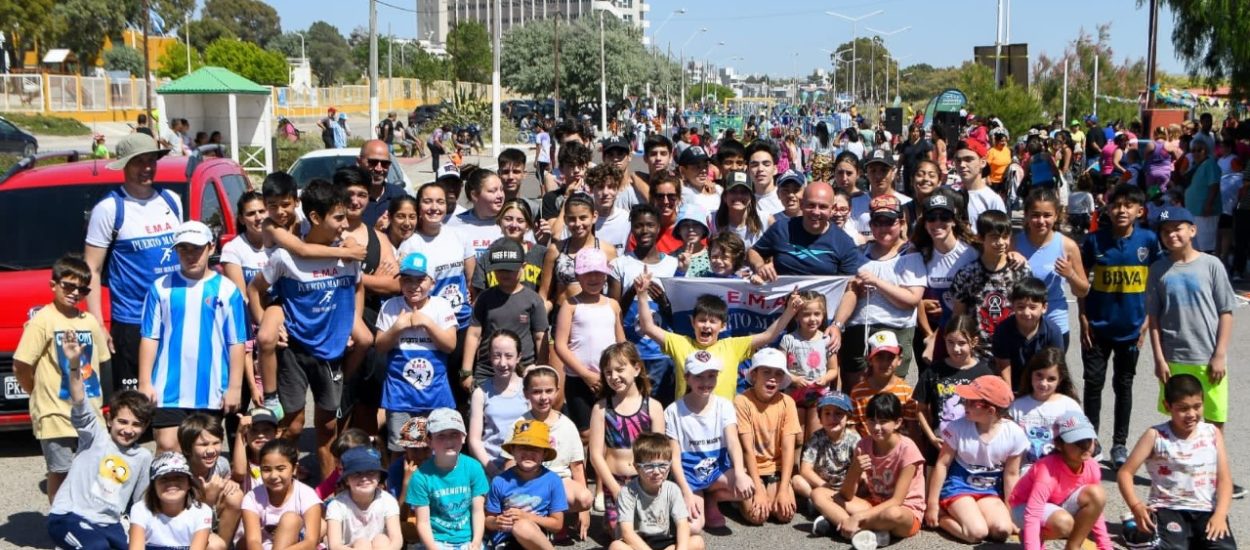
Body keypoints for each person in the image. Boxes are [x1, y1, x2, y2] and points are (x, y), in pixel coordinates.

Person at [247, 180, 364, 479]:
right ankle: (276, 486)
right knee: (293, 425)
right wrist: (267, 321)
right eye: (338, 218)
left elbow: (358, 287)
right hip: (295, 350)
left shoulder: (348, 256)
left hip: (332, 351)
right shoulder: (285, 256)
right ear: (315, 218)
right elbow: (255, 288)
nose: (344, 224)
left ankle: (327, 497)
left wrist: (354, 321)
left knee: (327, 429)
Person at [1146, 205, 1240, 496]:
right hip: (1175, 359)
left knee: (1213, 421)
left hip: (1208, 357)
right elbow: (1154, 320)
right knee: (1178, 421)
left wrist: (1220, 354)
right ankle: (1180, 474)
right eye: (1165, 230)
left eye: (1177, 228)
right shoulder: (1159, 270)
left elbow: (1226, 311)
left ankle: (1215, 477)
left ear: (1192, 230)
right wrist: (1159, 359)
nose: (1171, 234)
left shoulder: (1211, 265)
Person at [138, 221, 246, 453]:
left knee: (204, 453)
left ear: (210, 247)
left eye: (196, 248)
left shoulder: (228, 290)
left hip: (212, 389)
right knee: (168, 446)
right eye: (184, 248)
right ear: (176, 251)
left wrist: (235, 387)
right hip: (168, 387)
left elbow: (236, 342)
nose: (190, 255)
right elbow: (149, 337)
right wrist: (145, 382)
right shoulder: (160, 287)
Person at [83, 133, 179, 393]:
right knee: (134, 407)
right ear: (124, 165)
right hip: (132, 320)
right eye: (138, 161)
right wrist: (98, 325)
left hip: (176, 314)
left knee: (174, 396)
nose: (147, 167)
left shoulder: (171, 199)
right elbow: (92, 268)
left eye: (151, 160)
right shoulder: (110, 209)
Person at [14, 255, 109, 504]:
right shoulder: (42, 321)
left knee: (94, 469)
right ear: (53, 285)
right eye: (68, 285)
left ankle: (86, 519)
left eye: (82, 289)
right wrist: (35, 391)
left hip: (90, 411)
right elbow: (22, 364)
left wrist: (106, 404)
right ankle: (60, 521)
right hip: (54, 413)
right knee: (61, 471)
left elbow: (102, 361)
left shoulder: (89, 321)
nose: (75, 292)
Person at [45, 335, 154, 550]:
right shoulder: (95, 435)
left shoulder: (143, 457)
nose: (128, 429)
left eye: (136, 424)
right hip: (70, 516)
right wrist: (74, 364)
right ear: (109, 420)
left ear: (145, 426)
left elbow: (142, 501)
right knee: (96, 547)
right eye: (122, 421)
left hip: (109, 523)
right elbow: (79, 398)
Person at [1080, 184, 1156, 467]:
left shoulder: (1148, 240)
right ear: (1107, 209)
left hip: (1131, 330)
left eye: (1128, 206)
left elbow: (1156, 284)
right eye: (1116, 206)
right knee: (1093, 385)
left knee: (1124, 386)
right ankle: (1089, 440)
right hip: (1097, 329)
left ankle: (1119, 444)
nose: (1121, 210)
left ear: (1139, 210)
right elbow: (1080, 281)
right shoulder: (1094, 241)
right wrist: (1083, 317)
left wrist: (1148, 321)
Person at [634, 271, 801, 400]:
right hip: (686, 418)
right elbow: (648, 326)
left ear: (723, 326)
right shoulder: (680, 342)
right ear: (692, 323)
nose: (706, 325)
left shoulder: (732, 346)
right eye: (702, 320)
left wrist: (790, 311)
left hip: (722, 422)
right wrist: (642, 294)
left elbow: (768, 336)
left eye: (712, 321)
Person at [1117, 374, 1236, 550]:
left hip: (1206, 510)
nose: (1191, 414)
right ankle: (1135, 531)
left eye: (1197, 406)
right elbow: (1125, 473)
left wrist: (1220, 514)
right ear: (1167, 406)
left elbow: (1225, 480)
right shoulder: (1156, 435)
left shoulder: (1212, 433)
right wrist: (1136, 506)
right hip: (1168, 508)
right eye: (1183, 408)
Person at [833, 195, 926, 387]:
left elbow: (911, 299)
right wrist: (838, 324)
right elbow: (850, 291)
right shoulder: (859, 253)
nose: (882, 228)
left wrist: (877, 283)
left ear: (901, 223)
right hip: (858, 328)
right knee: (856, 391)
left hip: (896, 328)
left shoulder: (911, 254)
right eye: (877, 222)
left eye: (889, 222)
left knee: (889, 395)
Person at [925, 375, 1027, 544]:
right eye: (966, 400)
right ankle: (944, 517)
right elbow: (942, 464)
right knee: (976, 533)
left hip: (989, 490)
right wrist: (932, 504)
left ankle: (975, 513)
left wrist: (1012, 513)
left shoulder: (1014, 434)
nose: (965, 404)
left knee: (1003, 530)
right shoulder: (957, 427)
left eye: (972, 402)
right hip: (959, 487)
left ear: (991, 411)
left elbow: (1011, 475)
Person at [374, 252, 459, 453]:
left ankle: (430, 485)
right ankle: (399, 484)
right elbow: (380, 346)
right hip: (400, 395)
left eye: (420, 279)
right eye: (407, 279)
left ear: (432, 282)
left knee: (435, 448)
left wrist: (428, 324)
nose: (413, 285)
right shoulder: (391, 306)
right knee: (400, 449)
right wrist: (398, 327)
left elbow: (450, 345)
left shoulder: (441, 306)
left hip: (435, 395)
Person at [816, 393, 926, 547]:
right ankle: (863, 531)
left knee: (892, 513)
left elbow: (897, 500)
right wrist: (855, 469)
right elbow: (846, 494)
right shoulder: (863, 445)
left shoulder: (908, 449)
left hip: (905, 512)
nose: (876, 427)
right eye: (872, 421)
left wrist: (859, 516)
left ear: (898, 423)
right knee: (819, 493)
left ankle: (843, 525)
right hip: (873, 505)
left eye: (883, 422)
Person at [663, 353, 753, 532]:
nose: (706, 382)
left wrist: (741, 474)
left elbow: (733, 441)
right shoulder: (673, 411)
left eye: (711, 375)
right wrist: (687, 493)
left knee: (749, 488)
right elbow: (674, 457)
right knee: (694, 527)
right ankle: (695, 496)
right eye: (699, 376)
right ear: (686, 377)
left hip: (717, 471)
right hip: (689, 476)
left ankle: (711, 498)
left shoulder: (724, 405)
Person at [1007, 411, 1113, 550]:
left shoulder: (1092, 465)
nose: (1085, 447)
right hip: (1024, 508)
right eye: (1077, 442)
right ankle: (1032, 536)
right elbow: (1032, 514)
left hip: (1058, 503)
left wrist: (1105, 546)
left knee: (1097, 494)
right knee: (1063, 523)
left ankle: (1072, 547)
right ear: (1058, 445)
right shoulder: (1047, 470)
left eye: (1089, 440)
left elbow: (1095, 511)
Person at [588, 342, 665, 533]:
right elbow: (595, 455)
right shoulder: (601, 408)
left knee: (652, 532)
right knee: (622, 533)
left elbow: (661, 454)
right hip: (615, 483)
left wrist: (652, 485)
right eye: (608, 372)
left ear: (637, 368)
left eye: (620, 369)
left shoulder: (653, 406)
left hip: (648, 483)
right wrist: (615, 489)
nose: (614, 377)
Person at [609, 205, 681, 405]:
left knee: (662, 407)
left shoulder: (672, 265)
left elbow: (679, 315)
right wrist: (632, 291)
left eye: (650, 225)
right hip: (632, 354)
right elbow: (613, 311)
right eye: (639, 225)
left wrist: (663, 302)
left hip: (663, 355)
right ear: (631, 228)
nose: (644, 230)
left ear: (659, 227)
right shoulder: (620, 264)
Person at [554, 248, 625, 433]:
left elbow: (621, 345)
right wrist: (585, 374)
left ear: (606, 276)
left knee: (610, 430)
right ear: (578, 275)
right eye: (587, 274)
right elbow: (560, 345)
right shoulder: (570, 305)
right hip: (578, 379)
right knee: (585, 433)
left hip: (609, 379)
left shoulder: (613, 305)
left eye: (598, 273)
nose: (593, 279)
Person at [463, 239, 550, 389]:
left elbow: (540, 337)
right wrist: (466, 372)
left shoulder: (533, 300)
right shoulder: (485, 298)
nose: (505, 274)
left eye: (510, 269)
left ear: (523, 267)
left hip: (523, 370)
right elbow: (474, 334)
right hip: (487, 371)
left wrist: (540, 370)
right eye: (500, 269)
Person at [949, 210, 1033, 361]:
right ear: (981, 238)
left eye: (1005, 237)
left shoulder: (1021, 271)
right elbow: (959, 316)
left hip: (1014, 350)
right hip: (979, 354)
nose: (1000, 242)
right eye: (994, 237)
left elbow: (1030, 310)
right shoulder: (967, 274)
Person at [1014, 188, 1090, 348]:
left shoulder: (1067, 246)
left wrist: (1070, 274)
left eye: (1047, 215)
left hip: (1055, 323)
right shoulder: (1014, 244)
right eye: (1035, 215)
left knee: (1052, 372)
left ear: (1056, 216)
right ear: (1026, 215)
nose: (1041, 221)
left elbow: (1083, 290)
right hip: (1021, 323)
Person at [733, 348, 801, 526]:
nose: (772, 378)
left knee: (785, 514)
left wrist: (784, 489)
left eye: (779, 373)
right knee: (758, 516)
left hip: (775, 470)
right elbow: (747, 449)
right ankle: (738, 499)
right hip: (751, 470)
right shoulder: (742, 401)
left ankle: (775, 488)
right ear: (754, 375)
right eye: (766, 372)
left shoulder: (787, 402)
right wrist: (758, 489)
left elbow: (788, 449)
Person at [749, 181, 866, 282]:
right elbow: (753, 252)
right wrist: (760, 266)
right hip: (780, 303)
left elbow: (849, 288)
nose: (816, 212)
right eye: (811, 205)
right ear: (802, 204)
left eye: (823, 207)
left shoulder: (844, 243)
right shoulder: (782, 228)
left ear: (832, 209)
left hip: (822, 305)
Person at [913, 315, 995, 457]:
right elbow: (920, 409)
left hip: (972, 446)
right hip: (940, 445)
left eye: (961, 343)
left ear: (974, 342)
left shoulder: (984, 373)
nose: (955, 349)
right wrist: (931, 437)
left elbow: (993, 412)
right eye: (950, 342)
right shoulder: (934, 371)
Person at [406, 407, 488, 550]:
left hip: (468, 539)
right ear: (429, 441)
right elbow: (423, 522)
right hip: (437, 541)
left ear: (464, 437)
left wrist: (476, 542)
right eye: (441, 436)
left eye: (454, 434)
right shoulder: (421, 477)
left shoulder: (474, 468)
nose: (448, 441)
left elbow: (478, 511)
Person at [611, 432, 705, 550]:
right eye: (649, 466)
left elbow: (682, 524)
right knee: (616, 547)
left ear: (670, 466)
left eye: (662, 465)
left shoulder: (672, 489)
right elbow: (627, 533)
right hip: (639, 543)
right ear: (637, 467)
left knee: (697, 541)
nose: (656, 471)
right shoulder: (627, 492)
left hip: (667, 542)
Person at [484, 418, 568, 550]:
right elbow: (488, 520)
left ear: (544, 453)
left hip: (534, 536)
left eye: (535, 449)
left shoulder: (553, 480)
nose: (528, 453)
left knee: (521, 526)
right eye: (523, 447)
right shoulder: (500, 481)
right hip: (505, 539)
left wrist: (526, 517)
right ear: (513, 451)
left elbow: (557, 524)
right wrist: (496, 521)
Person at [1008, 348, 1084, 473]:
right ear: (1031, 374)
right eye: (1039, 375)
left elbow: (1080, 442)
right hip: (1024, 471)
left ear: (1060, 380)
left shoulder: (1069, 406)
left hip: (1059, 471)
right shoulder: (1017, 406)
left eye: (1051, 379)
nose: (1043, 383)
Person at [242, 439, 323, 550]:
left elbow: (311, 542)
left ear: (294, 469)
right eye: (266, 469)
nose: (274, 475)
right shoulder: (252, 498)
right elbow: (253, 541)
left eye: (280, 469)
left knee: (290, 519)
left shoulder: (307, 495)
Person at [177, 413, 243, 548]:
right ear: (187, 448)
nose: (211, 450)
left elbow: (229, 479)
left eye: (216, 443)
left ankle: (224, 544)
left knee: (235, 495)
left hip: (208, 523)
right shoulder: (178, 472)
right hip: (180, 530)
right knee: (213, 546)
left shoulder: (221, 464)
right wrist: (207, 499)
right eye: (203, 444)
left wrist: (229, 483)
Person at [778, 290, 838, 440]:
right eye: (806, 314)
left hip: (818, 396)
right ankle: (795, 464)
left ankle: (811, 464)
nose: (812, 319)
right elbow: (779, 368)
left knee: (814, 437)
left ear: (823, 314)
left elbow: (833, 369)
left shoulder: (826, 340)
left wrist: (824, 379)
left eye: (817, 314)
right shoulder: (788, 339)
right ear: (797, 315)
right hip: (793, 396)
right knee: (796, 438)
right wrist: (793, 378)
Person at [795, 392, 860, 523]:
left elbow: (858, 470)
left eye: (838, 414)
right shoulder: (816, 438)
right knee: (797, 480)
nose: (832, 418)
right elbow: (805, 470)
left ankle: (823, 508)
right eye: (827, 413)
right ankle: (823, 505)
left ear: (848, 417)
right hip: (821, 486)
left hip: (844, 490)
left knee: (863, 485)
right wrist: (824, 486)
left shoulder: (854, 439)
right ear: (820, 418)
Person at [992, 278, 1065, 392]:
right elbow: (1003, 367)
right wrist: (1009, 399)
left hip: (1042, 386)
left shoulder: (1053, 332)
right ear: (1012, 306)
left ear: (1044, 307)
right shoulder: (1003, 330)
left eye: (1032, 307)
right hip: (1013, 385)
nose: (1026, 313)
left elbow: (1054, 368)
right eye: (1021, 307)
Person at [128, 452, 213, 550]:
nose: (172, 483)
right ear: (153, 486)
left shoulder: (202, 511)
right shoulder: (140, 509)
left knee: (215, 545)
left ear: (189, 483)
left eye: (179, 478)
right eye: (164, 479)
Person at [325, 446, 403, 550]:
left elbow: (397, 539)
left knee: (381, 540)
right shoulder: (337, 505)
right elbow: (335, 545)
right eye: (356, 474)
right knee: (362, 544)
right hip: (350, 547)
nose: (364, 478)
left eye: (371, 472)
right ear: (346, 480)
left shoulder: (388, 501)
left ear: (379, 476)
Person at [847, 331, 918, 437]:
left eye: (890, 357)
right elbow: (853, 429)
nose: (885, 363)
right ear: (870, 360)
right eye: (879, 357)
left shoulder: (906, 392)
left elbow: (912, 430)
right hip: (866, 449)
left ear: (899, 360)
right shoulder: (858, 392)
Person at [849, 150, 913, 237]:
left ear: (893, 172)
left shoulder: (907, 203)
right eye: (873, 171)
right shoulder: (855, 203)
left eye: (884, 170)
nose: (878, 176)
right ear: (866, 173)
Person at [952, 140, 1006, 234]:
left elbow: (1001, 234)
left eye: (968, 159)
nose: (962, 165)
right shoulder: (951, 192)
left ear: (983, 162)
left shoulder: (992, 199)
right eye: (958, 160)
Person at [712, 171, 771, 248]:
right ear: (725, 196)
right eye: (733, 191)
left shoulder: (766, 220)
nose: (738, 196)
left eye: (744, 192)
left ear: (750, 198)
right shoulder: (712, 219)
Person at [357, 140, 409, 228]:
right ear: (359, 161)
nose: (379, 168)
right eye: (373, 162)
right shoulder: (349, 199)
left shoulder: (399, 195)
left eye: (385, 164)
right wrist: (376, 231)